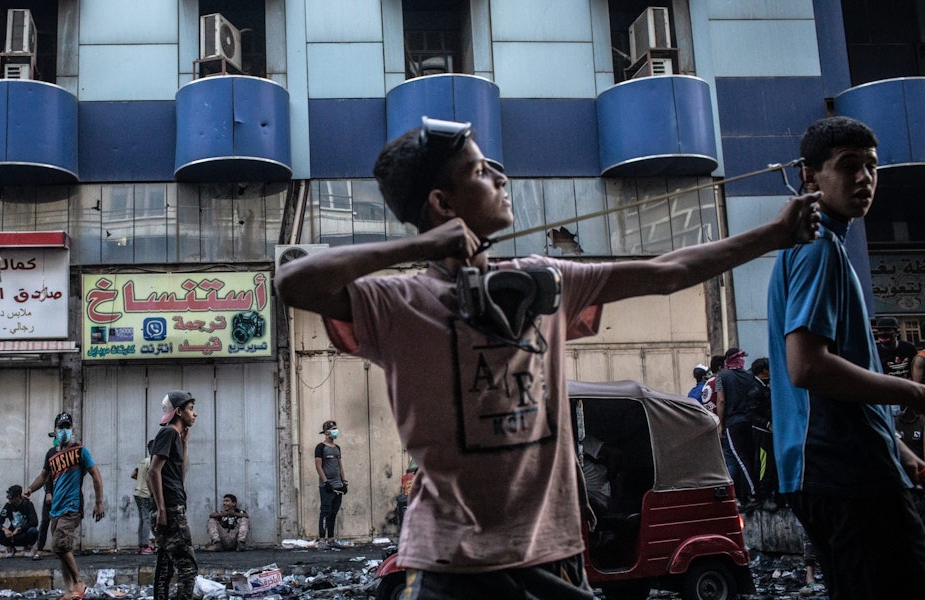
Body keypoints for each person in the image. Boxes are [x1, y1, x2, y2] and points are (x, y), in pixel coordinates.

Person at [275, 116, 819, 598]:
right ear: (442, 204)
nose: (501, 176)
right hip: (446, 564)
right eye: (482, 171)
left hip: (554, 557)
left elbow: (668, 272)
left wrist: (775, 232)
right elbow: (293, 281)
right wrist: (420, 247)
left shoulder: (545, 282)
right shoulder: (397, 301)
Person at [767, 116, 925, 598]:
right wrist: (916, 391)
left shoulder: (817, 245)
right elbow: (808, 366)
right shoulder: (819, 248)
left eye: (872, 167)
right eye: (848, 166)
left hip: (833, 467)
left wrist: (903, 456)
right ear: (810, 175)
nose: (864, 179)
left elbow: (847, 384)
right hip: (844, 469)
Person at [24, 412, 105, 600]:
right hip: (56, 509)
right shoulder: (51, 454)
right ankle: (69, 590)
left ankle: (79, 582)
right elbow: (43, 477)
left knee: (60, 544)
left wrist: (99, 502)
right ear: (55, 430)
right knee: (61, 550)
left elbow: (96, 474)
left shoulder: (80, 451)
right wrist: (29, 489)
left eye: (67, 427)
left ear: (72, 429)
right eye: (61, 427)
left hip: (72, 505)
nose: (64, 430)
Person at [147, 391, 199, 600]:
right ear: (178, 411)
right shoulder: (168, 433)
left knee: (166, 565)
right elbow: (153, 471)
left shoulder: (175, 437)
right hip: (169, 509)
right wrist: (161, 510)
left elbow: (180, 474)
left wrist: (184, 444)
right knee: (188, 569)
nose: (194, 414)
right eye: (190, 409)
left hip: (171, 506)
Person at [715, 347, 760, 511]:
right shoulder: (750, 376)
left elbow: (721, 401)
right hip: (750, 422)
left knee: (740, 459)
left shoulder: (721, 376)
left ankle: (754, 494)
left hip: (733, 423)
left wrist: (720, 424)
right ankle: (748, 494)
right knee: (750, 457)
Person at [745, 358, 779, 509]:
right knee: (765, 465)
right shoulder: (755, 390)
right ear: (764, 371)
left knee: (772, 464)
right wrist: (767, 424)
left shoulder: (766, 388)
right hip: (762, 433)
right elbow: (751, 414)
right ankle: (764, 497)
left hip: (769, 433)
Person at [314, 419, 347, 549]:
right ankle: (322, 539)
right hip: (327, 486)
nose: (335, 431)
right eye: (333, 429)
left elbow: (340, 466)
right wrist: (326, 482)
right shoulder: (320, 447)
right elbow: (318, 466)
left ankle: (331, 538)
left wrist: (344, 482)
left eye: (336, 429)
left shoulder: (337, 448)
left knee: (334, 512)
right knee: (325, 512)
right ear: (327, 432)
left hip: (338, 485)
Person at [0, 485, 39, 557]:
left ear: (18, 496)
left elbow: (34, 522)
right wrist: (5, 529)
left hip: (24, 535)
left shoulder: (28, 505)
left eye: (11, 497)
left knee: (33, 531)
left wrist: (21, 529)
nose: (9, 499)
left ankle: (28, 547)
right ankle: (10, 547)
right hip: (12, 536)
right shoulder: (8, 506)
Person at [131, 441, 155, 555]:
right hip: (145, 494)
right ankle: (145, 545)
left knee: (142, 519)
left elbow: (133, 474)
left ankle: (141, 545)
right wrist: (152, 492)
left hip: (137, 492)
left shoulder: (143, 461)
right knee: (146, 519)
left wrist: (141, 482)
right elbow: (151, 477)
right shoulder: (152, 462)